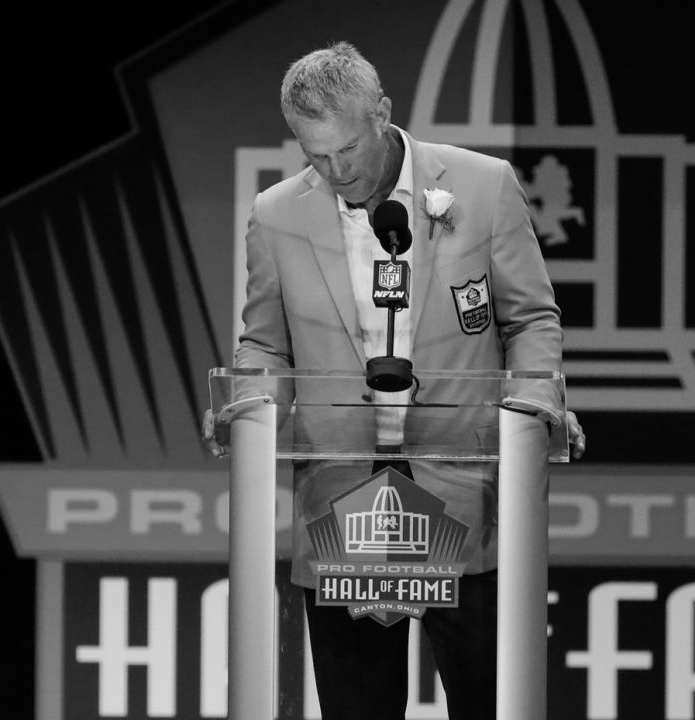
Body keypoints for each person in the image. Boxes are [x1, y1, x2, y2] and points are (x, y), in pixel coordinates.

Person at [201, 42, 584, 720]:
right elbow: (264, 341)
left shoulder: (483, 185)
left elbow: (530, 318)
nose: (335, 170)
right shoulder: (278, 213)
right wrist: (250, 403)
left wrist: (536, 400)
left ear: (382, 113)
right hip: (341, 499)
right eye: (314, 155)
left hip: (468, 493)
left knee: (494, 703)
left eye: (347, 149)